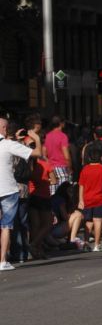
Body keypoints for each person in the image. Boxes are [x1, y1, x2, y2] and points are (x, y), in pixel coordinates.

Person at [0, 116, 40, 270]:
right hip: (8, 189)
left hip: (8, 189)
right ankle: (3, 261)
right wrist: (36, 138)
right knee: (6, 226)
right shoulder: (9, 144)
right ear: (4, 129)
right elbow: (37, 153)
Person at [77, 142, 102, 253]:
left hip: (87, 198)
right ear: (101, 158)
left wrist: (80, 199)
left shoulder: (85, 169)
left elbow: (81, 185)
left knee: (88, 221)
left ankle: (86, 243)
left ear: (89, 158)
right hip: (99, 198)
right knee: (98, 220)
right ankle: (97, 244)